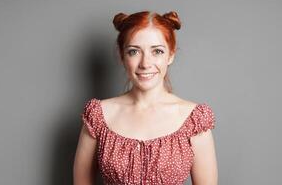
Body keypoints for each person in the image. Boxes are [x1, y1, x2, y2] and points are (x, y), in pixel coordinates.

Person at [73, 11, 218, 185]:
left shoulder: (194, 120)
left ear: (170, 55)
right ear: (121, 55)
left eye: (157, 51)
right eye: (134, 51)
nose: (145, 63)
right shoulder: (98, 115)